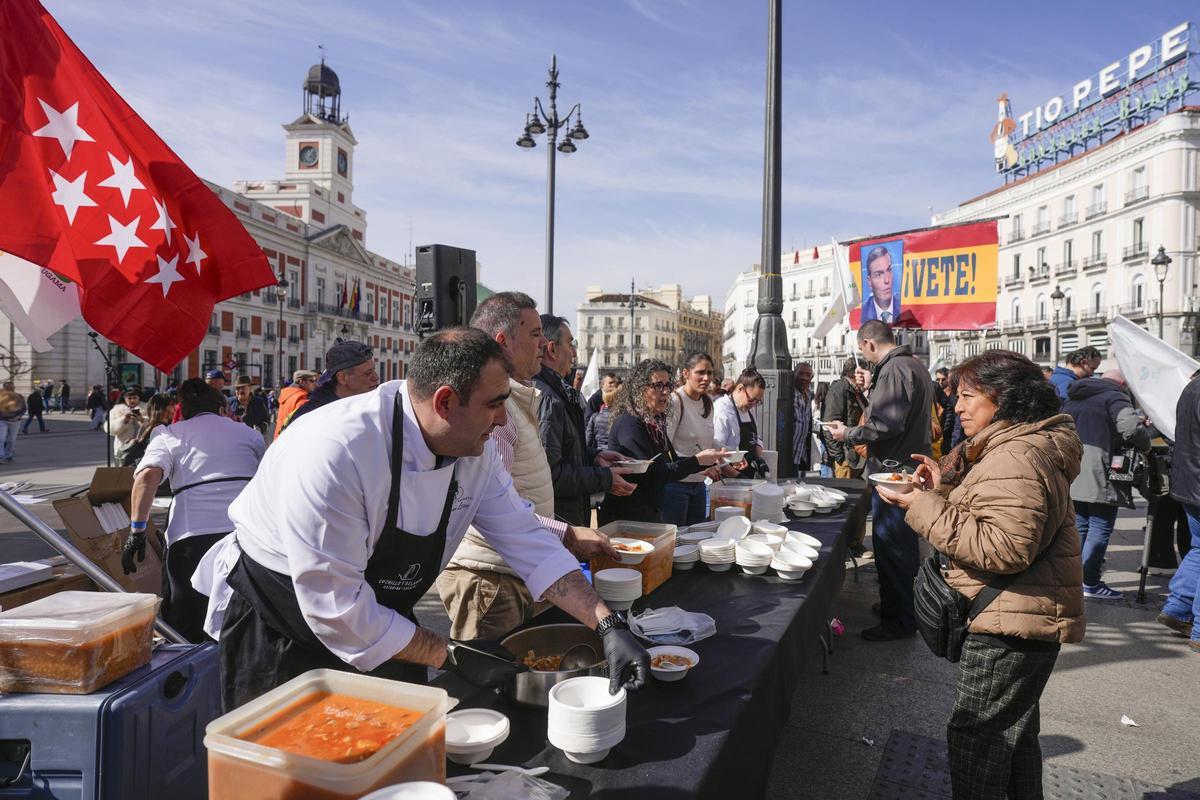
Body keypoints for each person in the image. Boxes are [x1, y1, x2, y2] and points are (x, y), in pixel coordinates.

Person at [193, 328, 650, 710]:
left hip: (383, 619)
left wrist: (606, 624)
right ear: (446, 402)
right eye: (494, 404)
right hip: (283, 629)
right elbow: (338, 608)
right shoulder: (337, 451)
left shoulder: (476, 449)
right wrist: (450, 651)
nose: (500, 420)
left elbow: (527, 538)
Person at [874, 349, 1084, 799]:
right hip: (1022, 614)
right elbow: (999, 512)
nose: (958, 406)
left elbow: (1004, 547)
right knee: (1015, 737)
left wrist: (919, 504)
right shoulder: (1020, 446)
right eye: (958, 396)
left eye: (969, 396)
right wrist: (943, 489)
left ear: (1004, 400)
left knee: (977, 741)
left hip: (1009, 623)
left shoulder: (1017, 456)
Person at [439, 292, 620, 640]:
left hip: (517, 569)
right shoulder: (494, 414)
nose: (544, 345)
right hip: (491, 576)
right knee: (490, 683)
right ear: (502, 342)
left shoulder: (516, 400)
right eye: (536, 335)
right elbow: (493, 509)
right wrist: (567, 533)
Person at [125, 379, 265, 643]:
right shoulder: (249, 433)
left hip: (192, 539)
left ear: (183, 409)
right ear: (222, 408)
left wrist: (137, 531)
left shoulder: (169, 433)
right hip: (245, 536)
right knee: (243, 620)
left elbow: (146, 478)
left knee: (187, 624)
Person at [826, 320, 936, 641]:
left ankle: (899, 620)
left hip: (894, 472)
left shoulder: (895, 371)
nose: (864, 355)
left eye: (863, 349)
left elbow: (885, 424)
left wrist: (847, 433)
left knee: (893, 546)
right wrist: (873, 384)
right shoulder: (909, 366)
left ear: (869, 344)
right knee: (896, 545)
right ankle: (895, 607)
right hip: (902, 466)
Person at [533, 316, 634, 527]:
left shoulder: (557, 393)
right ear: (552, 349)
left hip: (568, 517)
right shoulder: (549, 398)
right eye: (570, 343)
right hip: (558, 522)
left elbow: (564, 452)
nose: (574, 352)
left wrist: (595, 457)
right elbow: (550, 474)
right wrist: (605, 478)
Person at [1061, 368, 1151, 600]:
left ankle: (1073, 581)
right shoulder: (1115, 396)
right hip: (1102, 470)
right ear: (1123, 382)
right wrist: (1146, 443)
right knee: (1100, 527)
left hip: (1074, 469)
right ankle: (1090, 582)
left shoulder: (1075, 396)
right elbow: (1130, 429)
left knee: (1079, 526)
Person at [601, 359, 726, 524]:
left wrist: (705, 463)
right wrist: (697, 461)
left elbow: (671, 461)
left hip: (648, 514)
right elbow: (652, 474)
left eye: (667, 386)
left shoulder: (654, 422)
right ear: (639, 389)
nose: (666, 392)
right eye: (658, 385)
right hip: (627, 518)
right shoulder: (630, 422)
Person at [664, 353, 736, 526]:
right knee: (678, 540)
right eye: (700, 372)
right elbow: (665, 447)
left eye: (710, 373)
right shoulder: (674, 401)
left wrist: (729, 454)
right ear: (686, 373)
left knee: (698, 537)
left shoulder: (707, 402)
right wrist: (699, 467)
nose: (706, 378)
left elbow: (708, 440)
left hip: (699, 485)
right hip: (676, 485)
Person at [1160, 368, 1200, 652]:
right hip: (1194, 482)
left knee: (1198, 549)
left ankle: (1178, 607)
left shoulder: (1190, 389)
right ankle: (1198, 630)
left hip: (1189, 483)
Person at [283, 341, 379, 430]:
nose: (376, 377)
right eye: (368, 373)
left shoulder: (367, 405)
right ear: (342, 378)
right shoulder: (310, 417)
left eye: (374, 370)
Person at [713, 368, 767, 477]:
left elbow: (755, 438)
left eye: (758, 401)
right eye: (752, 400)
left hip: (748, 471)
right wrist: (737, 476)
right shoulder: (722, 409)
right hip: (726, 476)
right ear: (740, 388)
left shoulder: (749, 408)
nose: (754, 404)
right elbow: (716, 453)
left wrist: (759, 459)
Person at [822, 358, 868, 480]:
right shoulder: (839, 389)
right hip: (846, 459)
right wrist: (839, 458)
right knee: (846, 495)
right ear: (856, 373)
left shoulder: (856, 391)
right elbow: (829, 425)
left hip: (856, 458)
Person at [116, 393, 177, 468]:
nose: (175, 408)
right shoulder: (161, 429)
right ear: (161, 409)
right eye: (171, 405)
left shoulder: (149, 426)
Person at [861, 245, 901, 324]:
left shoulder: (904, 305)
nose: (887, 280)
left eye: (889, 270)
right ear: (869, 282)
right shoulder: (863, 311)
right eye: (879, 275)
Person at [273, 370, 317, 440]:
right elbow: (304, 426)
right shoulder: (301, 399)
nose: (315, 384)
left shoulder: (287, 395)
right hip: (292, 440)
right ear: (301, 382)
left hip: (279, 439)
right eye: (311, 381)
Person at [792, 361, 816, 475]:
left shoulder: (809, 395)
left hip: (800, 454)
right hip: (787, 454)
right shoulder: (790, 394)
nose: (804, 377)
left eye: (808, 375)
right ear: (794, 374)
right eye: (801, 373)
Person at [108, 388, 145, 461]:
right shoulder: (117, 410)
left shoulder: (146, 408)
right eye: (129, 398)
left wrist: (142, 419)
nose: (132, 400)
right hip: (123, 447)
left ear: (139, 398)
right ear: (124, 398)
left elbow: (153, 424)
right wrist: (124, 420)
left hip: (142, 447)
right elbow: (111, 429)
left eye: (134, 398)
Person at [0, 382, 25, 462]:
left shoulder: (19, 397)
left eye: (11, 387)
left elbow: (23, 409)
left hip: (15, 421)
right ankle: (1, 455)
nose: (9, 389)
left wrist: (18, 417)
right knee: (1, 438)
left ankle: (8, 454)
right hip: (2, 420)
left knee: (11, 439)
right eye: (7, 387)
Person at [586, 386, 617, 451]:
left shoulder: (595, 417)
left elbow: (588, 439)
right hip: (615, 454)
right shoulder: (619, 417)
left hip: (600, 452)